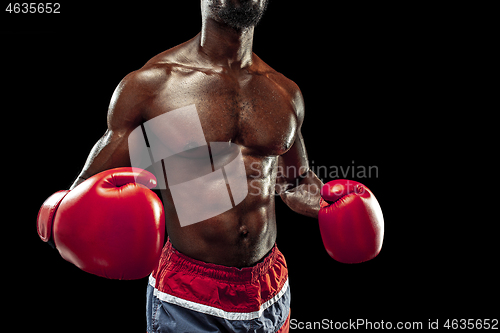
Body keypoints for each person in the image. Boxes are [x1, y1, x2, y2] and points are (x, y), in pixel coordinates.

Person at [37, 0, 383, 332]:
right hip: (191, 294)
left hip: (269, 288)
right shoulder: (156, 86)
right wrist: (60, 218)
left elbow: (293, 181)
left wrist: (329, 203)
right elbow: (83, 192)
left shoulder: (282, 92)